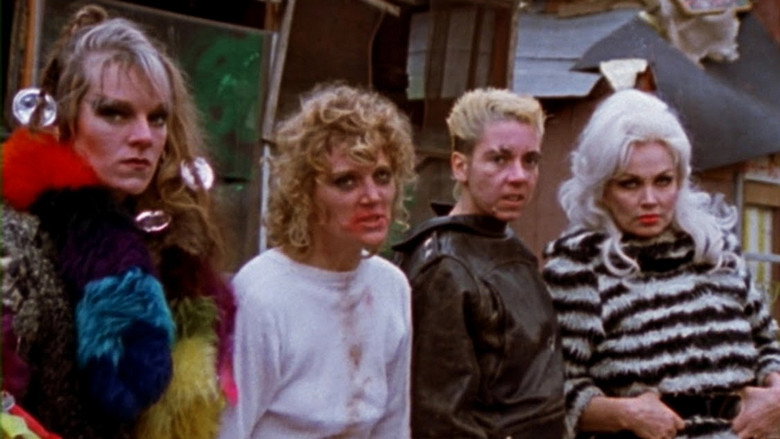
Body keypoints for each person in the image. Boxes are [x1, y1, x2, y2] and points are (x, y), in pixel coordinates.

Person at [1, 5, 236, 439]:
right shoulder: (14, 243)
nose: (144, 137)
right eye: (115, 113)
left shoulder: (176, 250)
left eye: (157, 118)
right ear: (65, 120)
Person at [542, 88, 780, 439]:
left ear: (681, 180)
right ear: (602, 188)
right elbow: (552, 392)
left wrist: (776, 395)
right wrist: (625, 414)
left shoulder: (717, 252)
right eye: (630, 184)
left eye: (663, 181)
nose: (650, 199)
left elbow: (767, 344)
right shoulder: (578, 268)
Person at [218, 84, 416, 438]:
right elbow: (229, 428)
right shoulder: (262, 293)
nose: (372, 196)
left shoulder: (391, 286)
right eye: (346, 181)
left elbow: (394, 424)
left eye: (382, 176)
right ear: (305, 194)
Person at [393, 87, 566, 438]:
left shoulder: (504, 243)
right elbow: (441, 419)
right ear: (461, 166)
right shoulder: (445, 267)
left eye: (530, 160)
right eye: (499, 159)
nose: (519, 176)